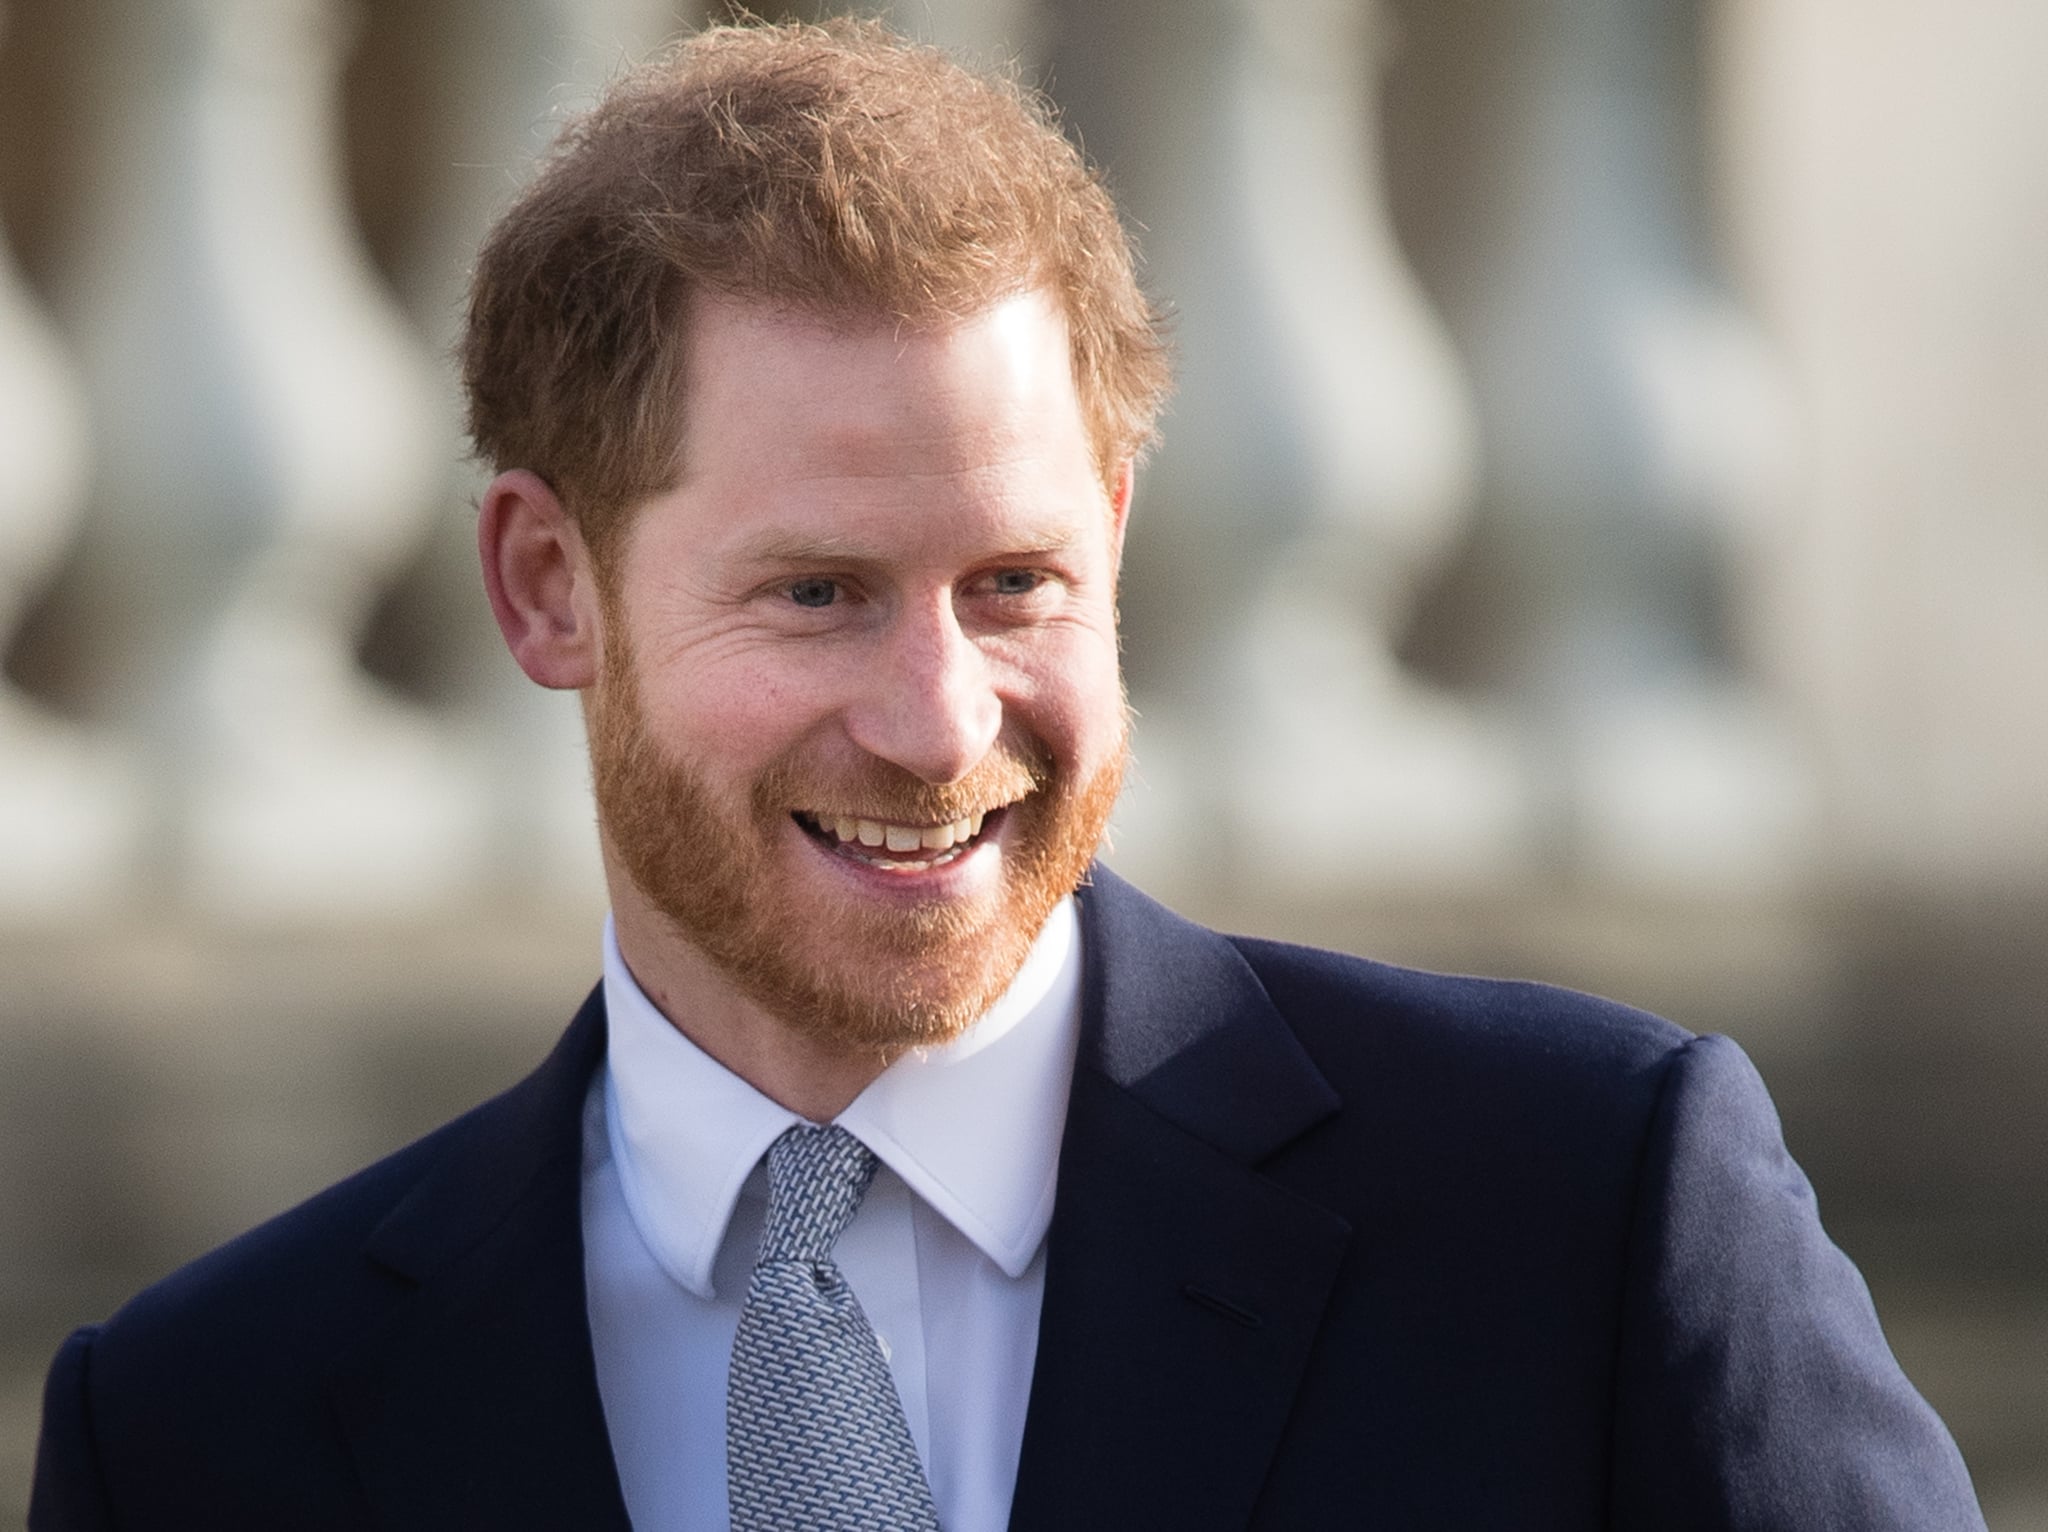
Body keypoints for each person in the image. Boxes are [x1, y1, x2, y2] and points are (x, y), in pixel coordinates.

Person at [31, 17, 1984, 1531]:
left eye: (1015, 583)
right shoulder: (211, 1425)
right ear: (549, 585)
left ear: (1118, 535)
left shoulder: (1583, 1215)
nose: (940, 719)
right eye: (816, 593)